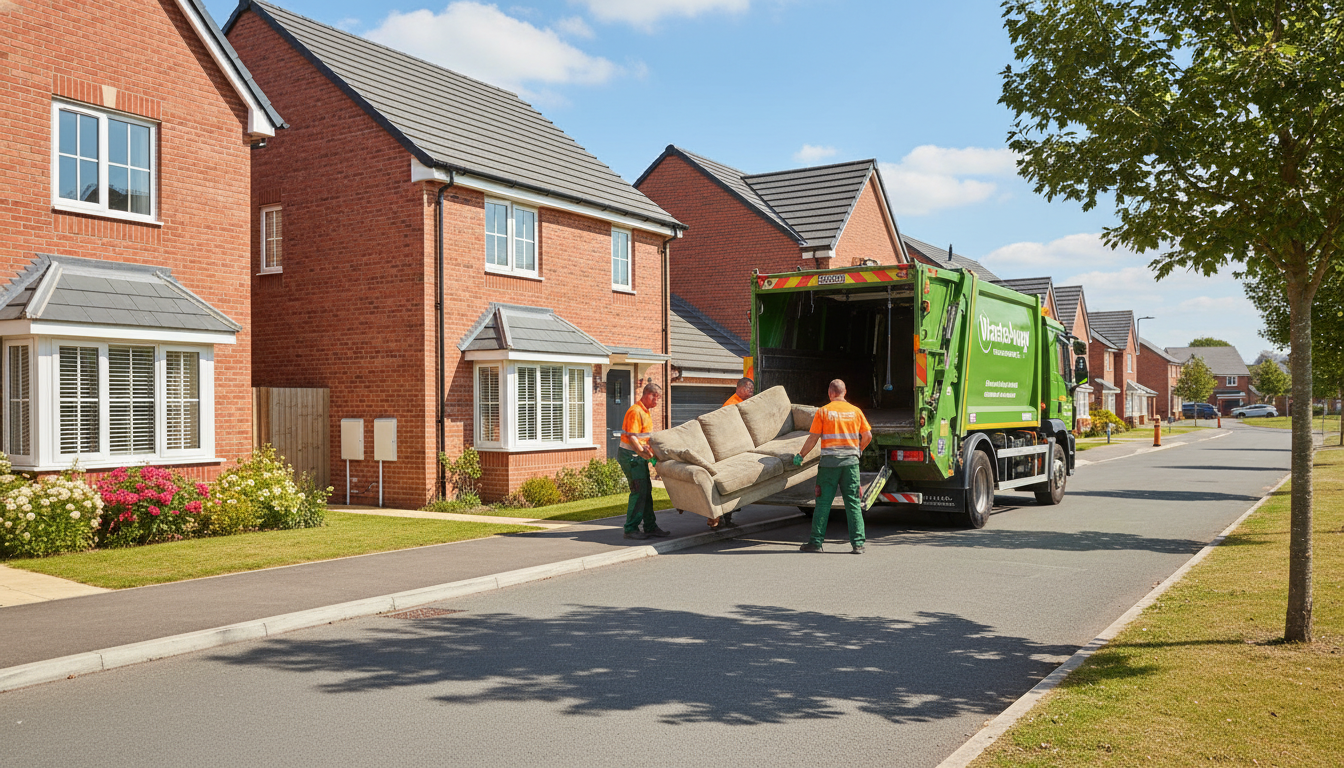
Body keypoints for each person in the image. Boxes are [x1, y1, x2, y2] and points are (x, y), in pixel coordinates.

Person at [793, 379, 872, 554]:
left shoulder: (824, 412)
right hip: (850, 464)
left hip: (829, 465)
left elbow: (813, 438)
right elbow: (867, 436)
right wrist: (857, 450)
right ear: (845, 392)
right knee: (853, 503)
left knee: (823, 504)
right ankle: (858, 544)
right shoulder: (856, 411)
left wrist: (801, 455)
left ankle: (815, 542)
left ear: (830, 393)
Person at [619, 382, 670, 540]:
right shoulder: (635, 411)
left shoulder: (645, 411)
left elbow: (642, 438)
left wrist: (649, 453)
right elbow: (633, 438)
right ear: (649, 394)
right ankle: (630, 528)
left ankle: (650, 526)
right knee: (639, 491)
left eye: (659, 398)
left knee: (646, 491)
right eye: (656, 397)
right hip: (631, 457)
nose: (657, 401)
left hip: (637, 457)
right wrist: (643, 453)